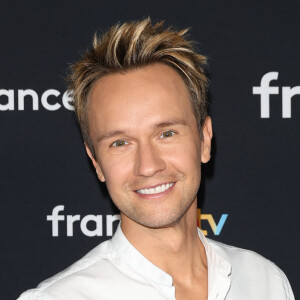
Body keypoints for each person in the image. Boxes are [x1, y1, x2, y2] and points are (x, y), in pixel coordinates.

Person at [18, 18, 294, 300]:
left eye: (166, 133)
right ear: (96, 162)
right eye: (121, 143)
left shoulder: (265, 282)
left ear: (204, 139)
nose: (148, 166)